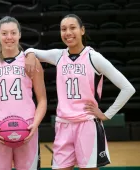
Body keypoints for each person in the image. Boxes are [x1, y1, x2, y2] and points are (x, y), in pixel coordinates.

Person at [24, 14, 136, 170]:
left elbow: (128, 88)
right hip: (63, 125)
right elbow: (31, 50)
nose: (68, 32)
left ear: (82, 30)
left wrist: (107, 114)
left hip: (87, 125)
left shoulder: (94, 57)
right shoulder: (59, 55)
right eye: (63, 29)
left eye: (72, 28)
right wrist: (29, 54)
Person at [0, 16, 47, 170]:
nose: (9, 37)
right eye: (4, 33)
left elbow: (42, 100)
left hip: (27, 128)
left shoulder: (31, 61)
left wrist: (34, 125)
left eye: (13, 33)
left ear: (20, 35)